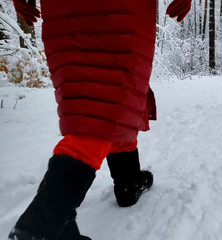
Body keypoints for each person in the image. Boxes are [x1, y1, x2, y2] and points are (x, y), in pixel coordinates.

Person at [8, 0, 192, 239]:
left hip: (62, 12)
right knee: (112, 99)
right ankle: (39, 227)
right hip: (124, 10)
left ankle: (128, 181)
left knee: (94, 99)